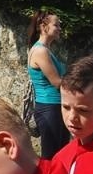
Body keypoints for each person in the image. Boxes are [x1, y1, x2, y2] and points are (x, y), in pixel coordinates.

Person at [27, 9, 70, 158]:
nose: (59, 29)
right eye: (56, 25)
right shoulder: (40, 51)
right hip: (49, 108)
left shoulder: (46, 50)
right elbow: (57, 82)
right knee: (51, 157)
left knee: (61, 154)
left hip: (54, 107)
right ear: (43, 27)